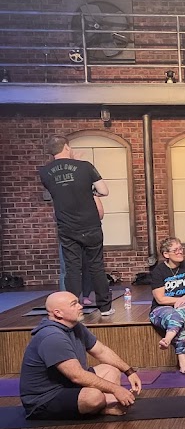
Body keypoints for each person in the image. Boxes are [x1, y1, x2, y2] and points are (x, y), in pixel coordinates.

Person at [19, 291, 142, 420]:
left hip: (67, 385)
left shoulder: (75, 327)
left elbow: (101, 351)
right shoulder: (52, 337)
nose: (80, 306)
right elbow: (77, 376)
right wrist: (116, 389)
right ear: (58, 313)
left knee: (111, 369)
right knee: (94, 397)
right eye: (74, 304)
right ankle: (101, 406)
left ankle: (105, 403)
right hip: (44, 399)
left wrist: (129, 371)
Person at [39, 135, 114, 316]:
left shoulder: (44, 172)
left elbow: (54, 194)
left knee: (72, 269)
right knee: (96, 266)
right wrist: (88, 189)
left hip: (66, 227)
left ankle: (71, 309)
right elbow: (104, 191)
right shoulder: (85, 166)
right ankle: (105, 308)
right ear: (67, 147)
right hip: (90, 225)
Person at [148, 237, 185, 374]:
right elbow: (160, 299)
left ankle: (168, 339)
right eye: (175, 250)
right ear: (166, 254)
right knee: (178, 315)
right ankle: (182, 361)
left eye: (181, 248)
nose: (180, 252)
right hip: (161, 310)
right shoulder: (158, 271)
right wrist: (182, 301)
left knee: (180, 310)